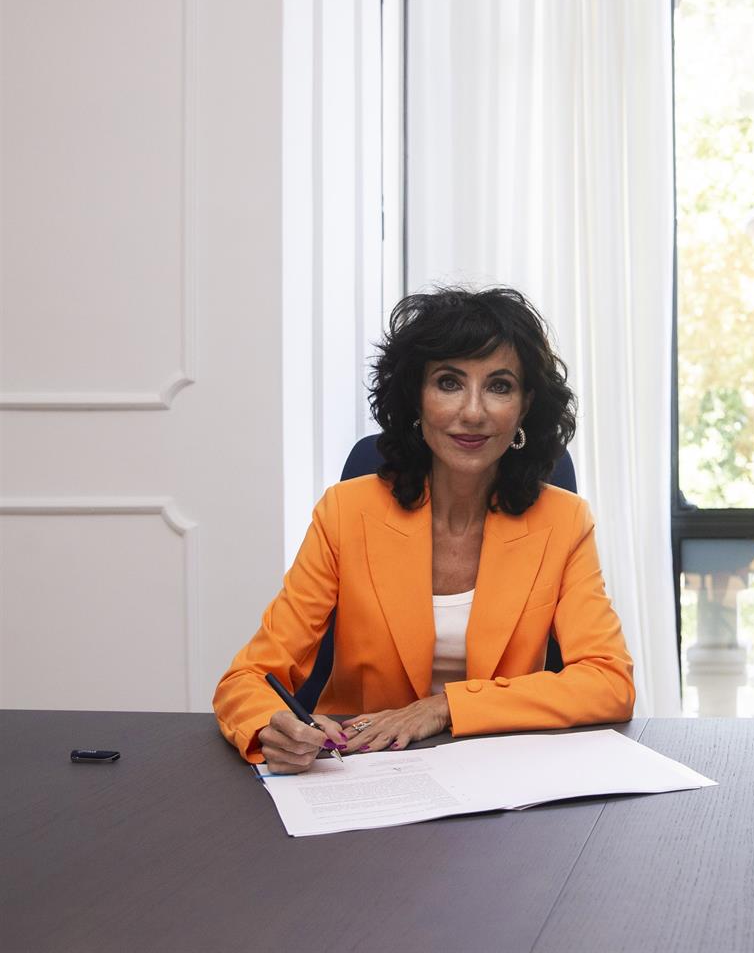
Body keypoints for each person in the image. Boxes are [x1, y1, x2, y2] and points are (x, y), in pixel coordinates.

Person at [215, 287, 634, 772]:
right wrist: (268, 727)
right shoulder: (345, 512)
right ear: (417, 397)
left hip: (500, 771)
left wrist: (445, 707)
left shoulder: (563, 520)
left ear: (524, 406)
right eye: (449, 383)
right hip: (359, 768)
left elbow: (609, 682)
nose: (472, 411)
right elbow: (246, 679)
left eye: (499, 386)